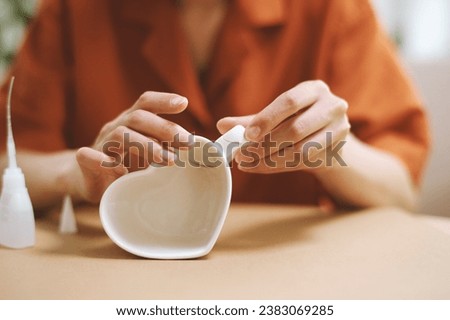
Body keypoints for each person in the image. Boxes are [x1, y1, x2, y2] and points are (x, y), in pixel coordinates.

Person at [0, 0, 430, 213]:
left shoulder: (331, 10)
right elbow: (10, 165)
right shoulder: (76, 11)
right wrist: (76, 175)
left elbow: (401, 189)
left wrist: (335, 152)